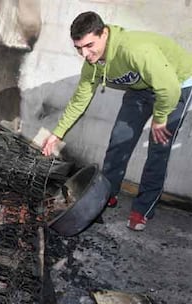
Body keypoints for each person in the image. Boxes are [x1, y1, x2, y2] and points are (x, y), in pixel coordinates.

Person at [42, 11, 192, 231]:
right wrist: (57, 134)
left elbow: (168, 88)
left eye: (89, 45)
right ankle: (106, 194)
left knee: (158, 148)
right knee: (119, 141)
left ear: (104, 34)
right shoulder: (92, 64)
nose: (85, 54)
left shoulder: (134, 50)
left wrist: (160, 119)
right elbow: (78, 101)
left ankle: (143, 209)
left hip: (176, 84)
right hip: (140, 89)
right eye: (78, 48)